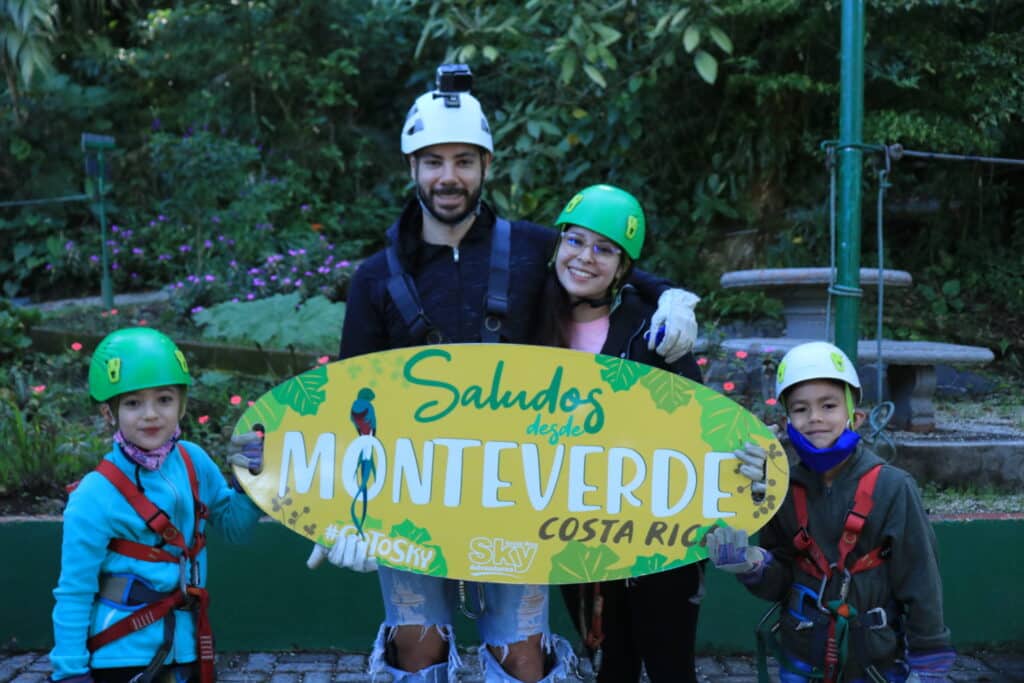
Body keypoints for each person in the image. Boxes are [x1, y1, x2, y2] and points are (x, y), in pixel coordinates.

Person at [305, 63, 701, 683]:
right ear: (412, 168)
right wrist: (343, 508)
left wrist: (668, 294)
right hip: (413, 490)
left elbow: (599, 255)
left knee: (521, 659)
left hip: (517, 491)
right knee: (417, 649)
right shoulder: (374, 279)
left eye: (464, 161)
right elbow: (351, 401)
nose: (449, 176)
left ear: (486, 166)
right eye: (433, 162)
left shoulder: (531, 249)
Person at [704, 341, 955, 683]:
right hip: (802, 656)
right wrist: (753, 565)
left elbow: (920, 576)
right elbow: (781, 581)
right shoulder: (781, 489)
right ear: (787, 421)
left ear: (856, 416)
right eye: (801, 409)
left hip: (874, 662)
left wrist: (929, 659)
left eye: (829, 405)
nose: (815, 418)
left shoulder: (893, 488)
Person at [49, 328, 265, 683]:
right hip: (121, 656)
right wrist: (70, 672)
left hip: (189, 648)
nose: (150, 414)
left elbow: (236, 529)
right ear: (108, 413)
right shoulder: (94, 495)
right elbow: (75, 590)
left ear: (182, 405)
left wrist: (250, 484)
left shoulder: (194, 461)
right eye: (133, 403)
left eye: (164, 399)